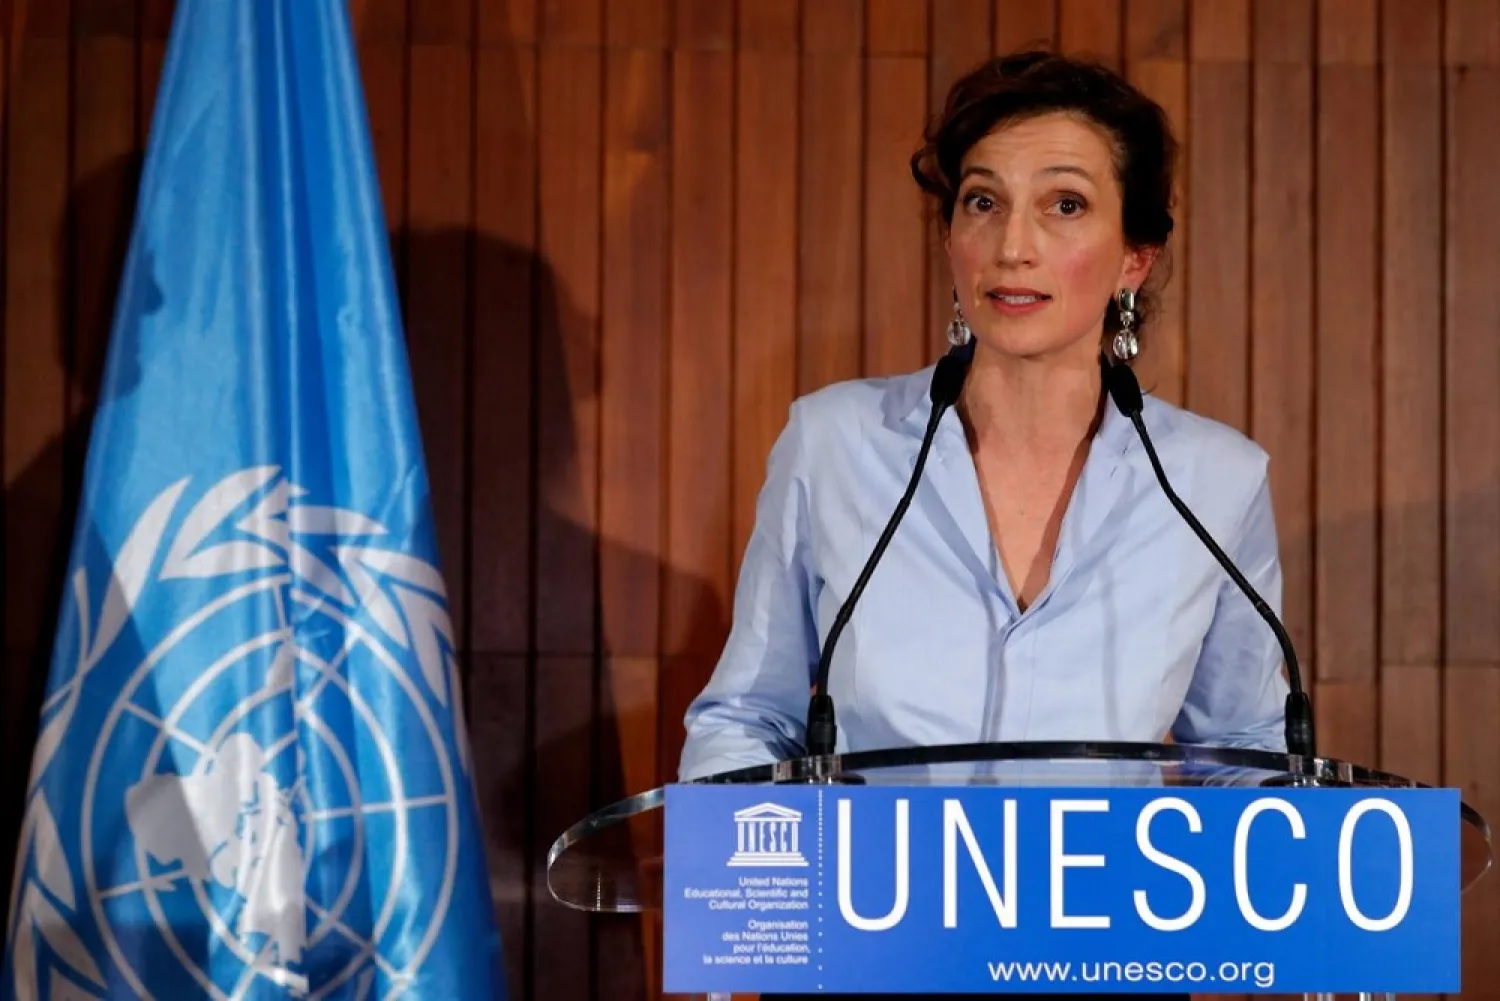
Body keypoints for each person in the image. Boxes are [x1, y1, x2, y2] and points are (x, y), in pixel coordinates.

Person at [676, 50, 1285, 999]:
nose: (1014, 246)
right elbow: (747, 718)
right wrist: (744, 952)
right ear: (952, 236)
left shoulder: (1215, 480)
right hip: (866, 967)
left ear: (1135, 256)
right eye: (982, 201)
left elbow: (1244, 752)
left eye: (1066, 204)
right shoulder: (833, 443)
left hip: (1108, 968)